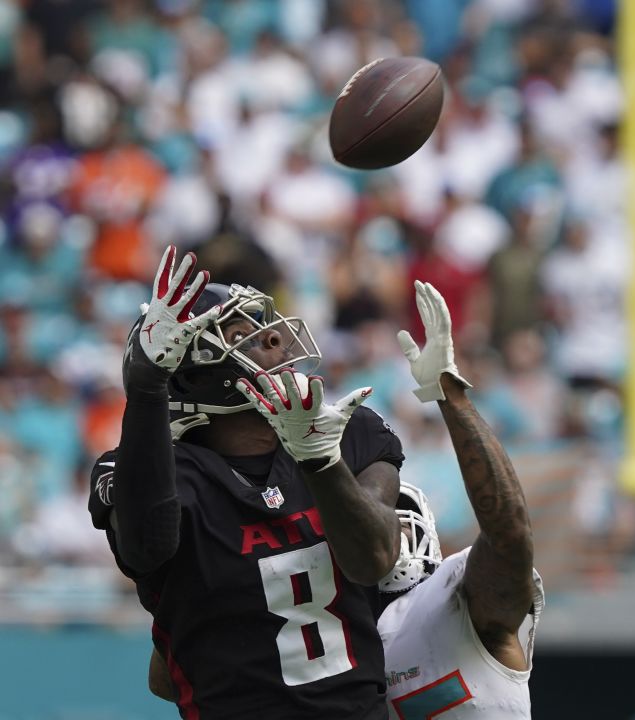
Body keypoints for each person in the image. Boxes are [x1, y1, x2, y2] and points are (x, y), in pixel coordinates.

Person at [91, 246, 403, 718]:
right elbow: (146, 548)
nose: (275, 340)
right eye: (243, 336)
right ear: (196, 375)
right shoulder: (153, 474)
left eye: (265, 328)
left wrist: (319, 460)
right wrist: (147, 387)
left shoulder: (347, 431)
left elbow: (374, 558)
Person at [375, 280, 540, 717]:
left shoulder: (455, 594)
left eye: (397, 518)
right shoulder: (340, 633)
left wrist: (448, 395)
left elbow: (508, 533)